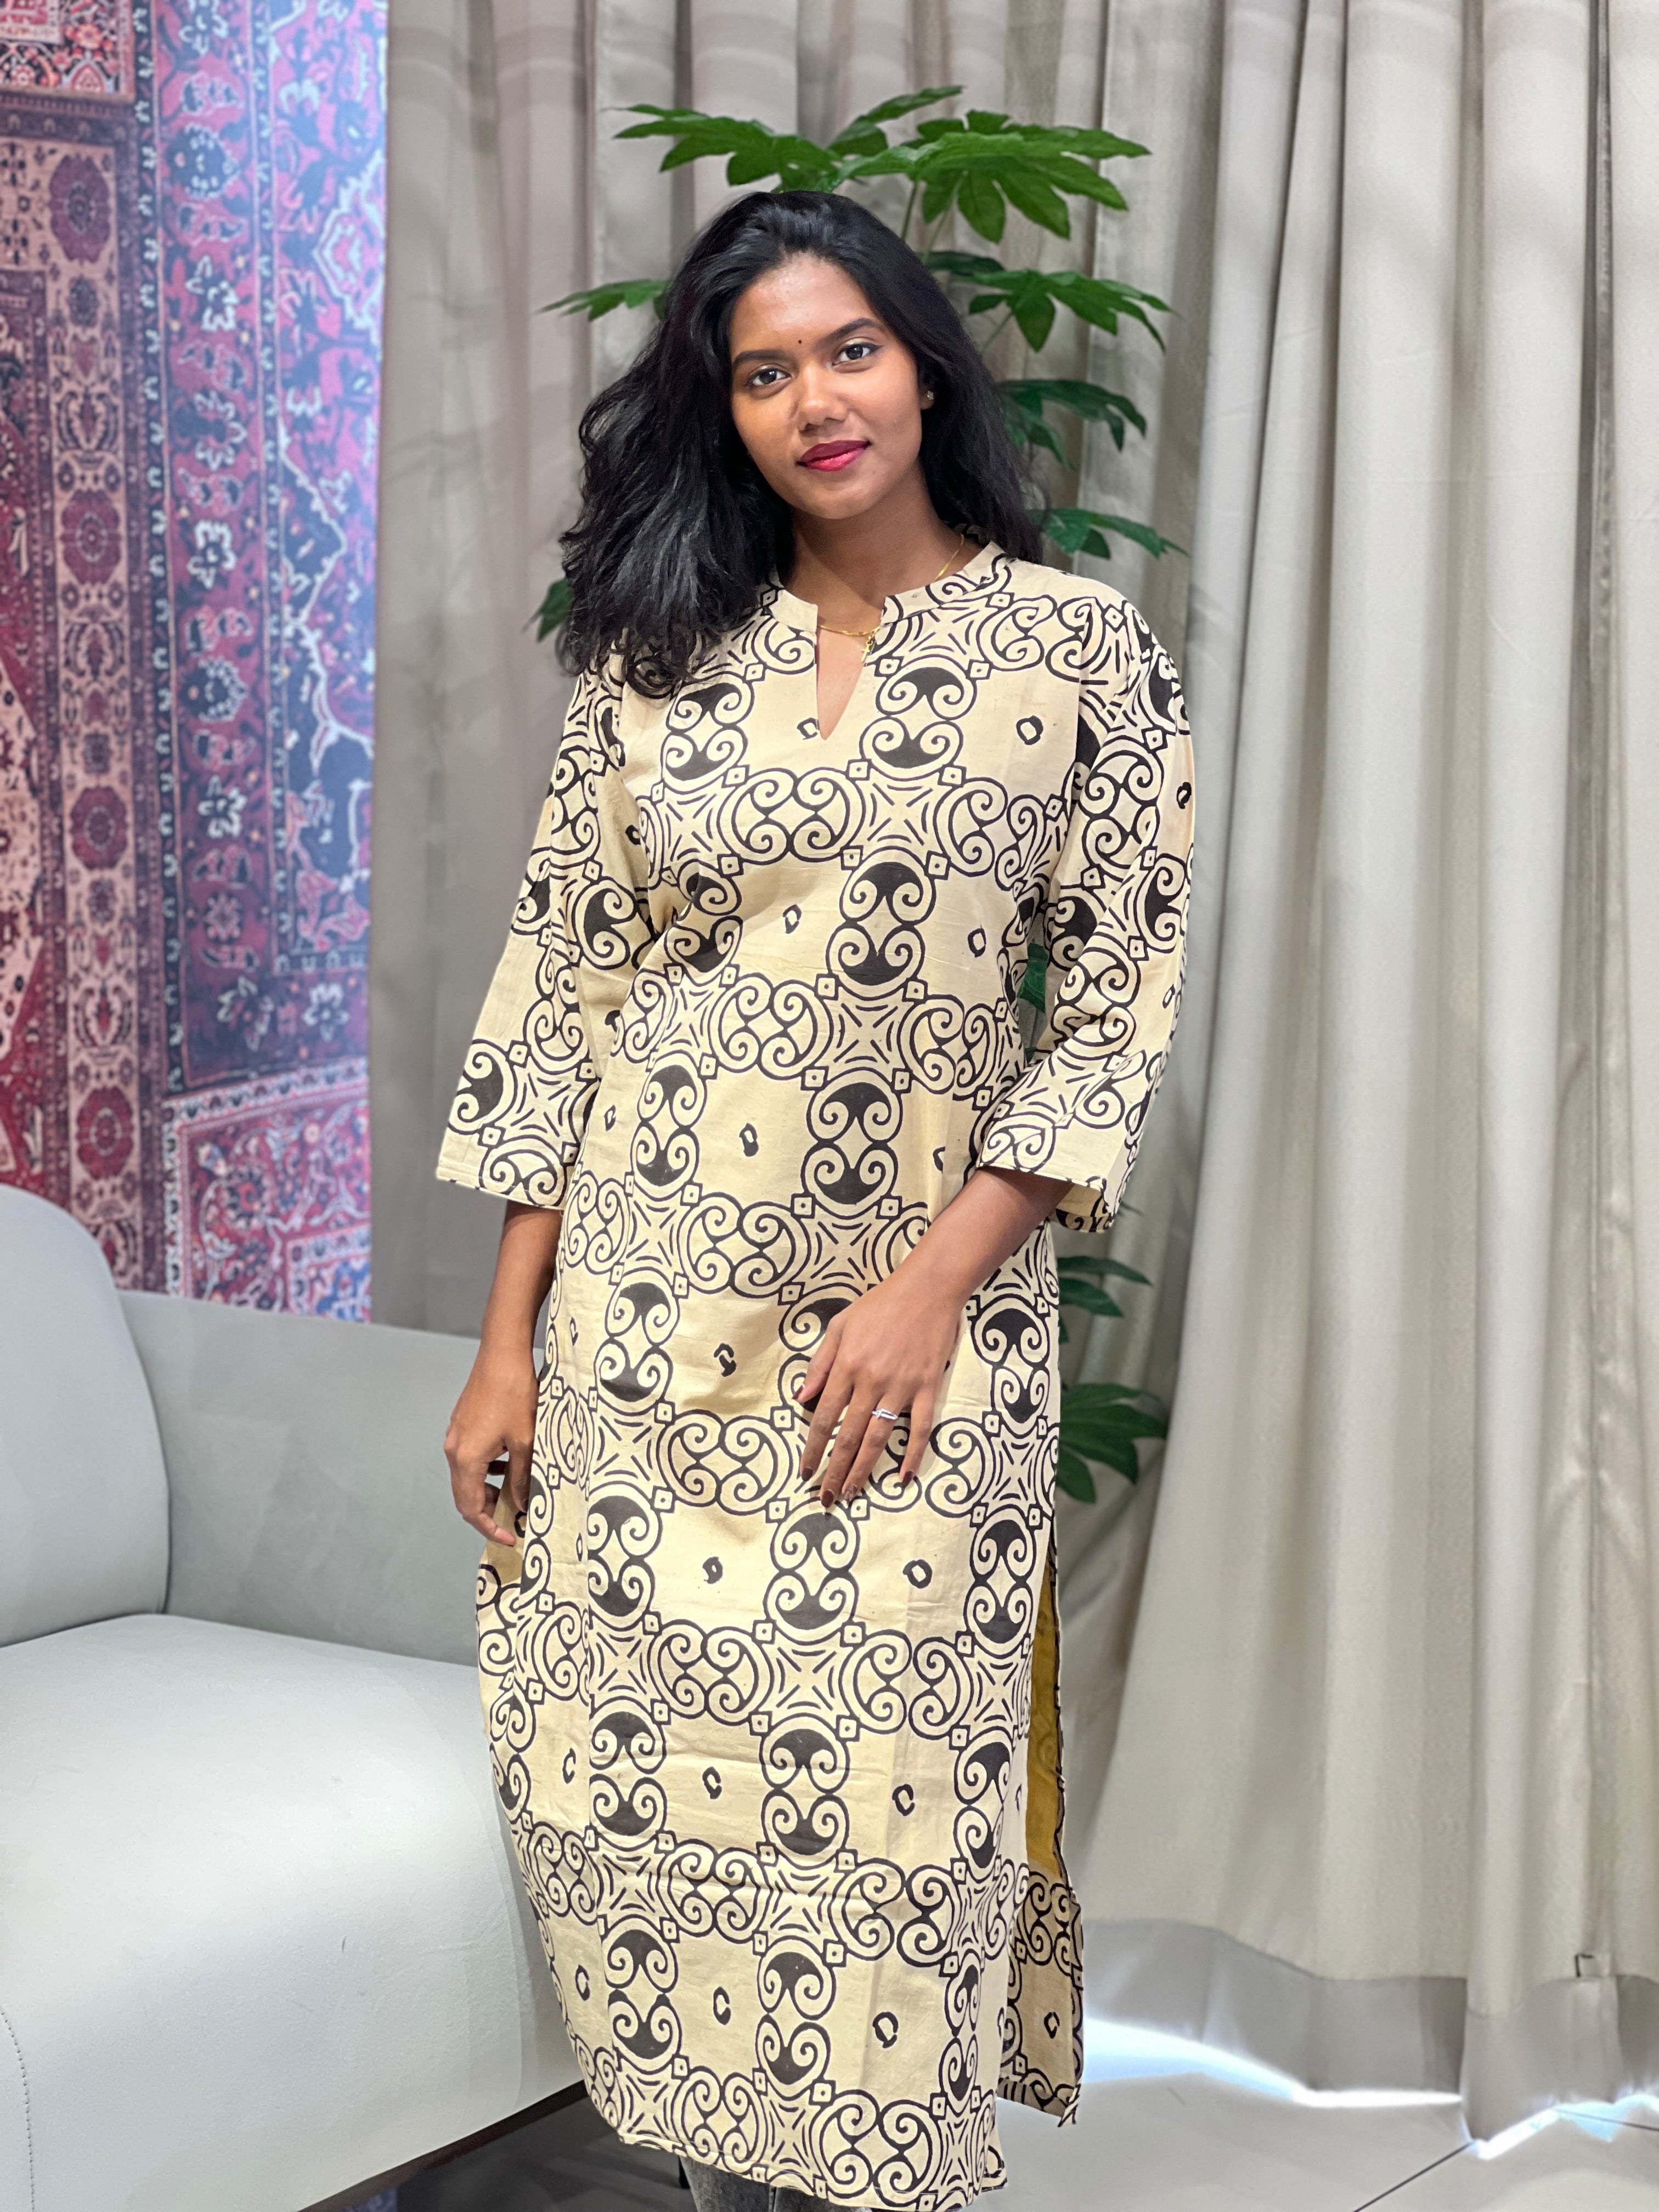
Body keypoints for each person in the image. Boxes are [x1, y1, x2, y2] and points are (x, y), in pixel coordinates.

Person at [438, 187, 1194, 2212]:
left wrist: (933, 1288)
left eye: (847, 350)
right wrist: (504, 1349)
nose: (814, 402)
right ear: (726, 413)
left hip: (906, 1355)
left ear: (924, 365)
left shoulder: (1077, 653)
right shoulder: (657, 655)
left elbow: (1114, 1015)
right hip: (637, 1337)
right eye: (762, 373)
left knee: (883, 1866)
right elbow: (561, 992)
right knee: (661, 1854)